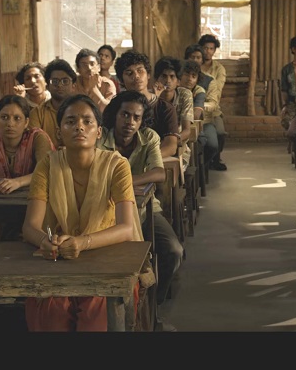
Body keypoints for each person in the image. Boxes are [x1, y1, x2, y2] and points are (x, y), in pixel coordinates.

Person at [22, 94, 143, 332]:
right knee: (52, 312)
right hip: (60, 257)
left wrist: (82, 242)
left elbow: (126, 229)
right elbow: (30, 226)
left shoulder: (117, 165)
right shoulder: (47, 165)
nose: (79, 126)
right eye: (71, 121)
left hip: (107, 255)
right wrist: (45, 241)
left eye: (87, 121)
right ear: (59, 133)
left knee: (95, 314)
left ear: (99, 132)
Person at [98, 91, 184, 330]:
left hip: (145, 210)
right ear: (115, 115)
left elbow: (158, 173)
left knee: (173, 251)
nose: (130, 122)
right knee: (116, 261)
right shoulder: (100, 137)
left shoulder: (149, 137)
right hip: (104, 212)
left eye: (136, 117)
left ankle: (152, 304)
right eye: (125, 115)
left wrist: (123, 183)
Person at [0, 95, 55, 241]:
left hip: (33, 204)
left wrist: (18, 182)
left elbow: (47, 170)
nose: (10, 123)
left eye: (17, 118)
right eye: (4, 117)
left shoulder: (37, 138)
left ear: (26, 122)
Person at [114, 49, 180, 159]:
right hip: (121, 162)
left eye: (140, 71)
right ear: (121, 80)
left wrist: (142, 160)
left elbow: (171, 146)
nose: (136, 76)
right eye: (129, 73)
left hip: (152, 162)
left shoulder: (165, 108)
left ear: (148, 75)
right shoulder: (115, 105)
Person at [154, 56, 194, 168]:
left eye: (172, 77)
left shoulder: (184, 95)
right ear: (157, 79)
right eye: (164, 76)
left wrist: (171, 141)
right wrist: (155, 98)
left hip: (177, 144)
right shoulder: (150, 96)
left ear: (178, 82)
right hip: (154, 143)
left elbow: (187, 130)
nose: (168, 81)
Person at [28, 58, 77, 148]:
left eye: (65, 81)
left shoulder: (82, 111)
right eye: (54, 81)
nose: (60, 85)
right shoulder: (37, 114)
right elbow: (35, 146)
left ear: (73, 86)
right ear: (47, 86)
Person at [197, 34, 228, 171]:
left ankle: (216, 159)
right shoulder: (195, 66)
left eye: (211, 48)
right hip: (194, 107)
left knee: (220, 132)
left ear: (215, 50)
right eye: (205, 48)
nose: (208, 51)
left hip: (212, 108)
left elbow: (218, 90)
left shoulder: (219, 69)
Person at [72, 48, 117, 112]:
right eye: (84, 65)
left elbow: (111, 110)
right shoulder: (73, 84)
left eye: (92, 64)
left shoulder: (107, 84)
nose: (89, 68)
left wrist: (94, 89)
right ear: (78, 69)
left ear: (99, 67)